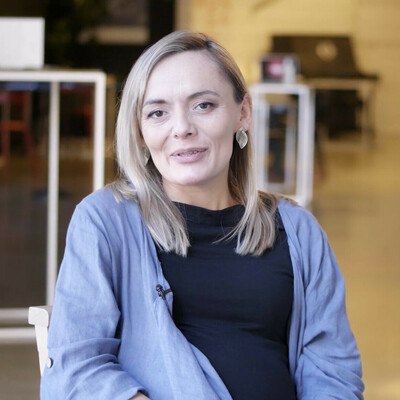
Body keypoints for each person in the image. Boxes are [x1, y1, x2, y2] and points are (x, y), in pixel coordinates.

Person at [41, 31, 364, 400]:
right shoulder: (105, 222)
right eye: (158, 112)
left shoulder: (298, 230)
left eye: (203, 105)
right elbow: (76, 369)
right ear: (140, 132)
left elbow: (334, 372)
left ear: (243, 113)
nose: (182, 128)